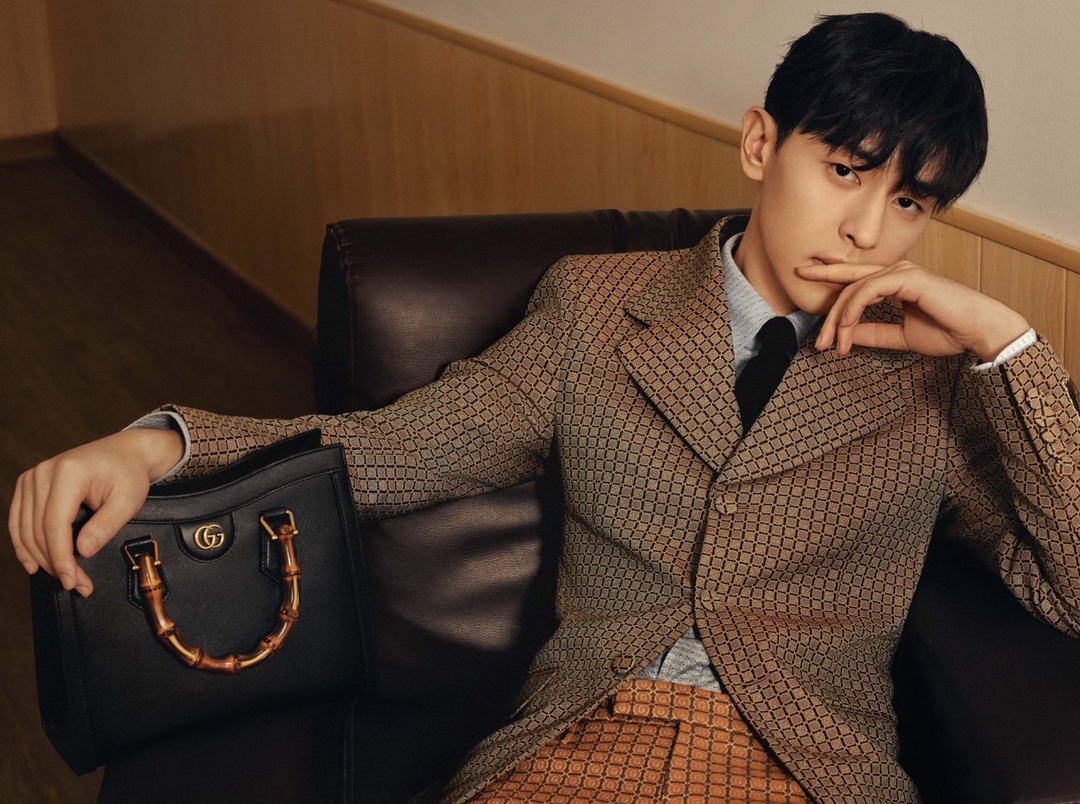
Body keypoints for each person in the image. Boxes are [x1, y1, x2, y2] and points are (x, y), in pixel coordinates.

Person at [9, 12, 1080, 803]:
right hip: (582, 745)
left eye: (909, 202)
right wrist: (159, 447)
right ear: (762, 144)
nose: (865, 232)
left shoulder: (943, 379)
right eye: (844, 170)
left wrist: (1008, 346)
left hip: (807, 770)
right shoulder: (595, 306)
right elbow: (403, 448)